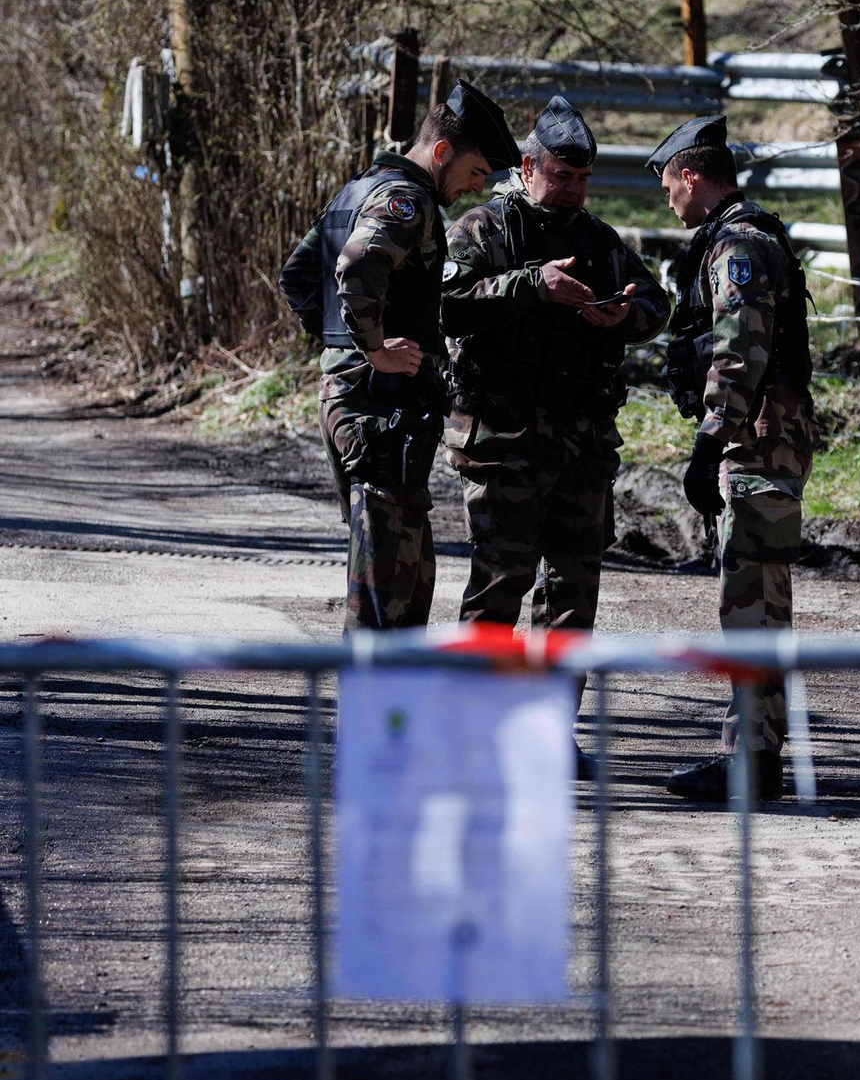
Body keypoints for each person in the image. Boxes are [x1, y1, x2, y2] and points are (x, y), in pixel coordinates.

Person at [440, 95, 670, 772]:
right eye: (563, 176)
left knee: (572, 598)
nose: (574, 189)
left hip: (581, 449)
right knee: (497, 588)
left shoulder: (597, 240)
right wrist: (530, 286)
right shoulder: (484, 228)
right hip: (504, 443)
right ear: (529, 166)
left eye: (583, 178)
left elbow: (655, 302)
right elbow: (446, 306)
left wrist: (621, 317)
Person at [278, 80, 520, 631]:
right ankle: (369, 712)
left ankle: (389, 710)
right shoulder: (406, 201)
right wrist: (372, 350)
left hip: (360, 402)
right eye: (476, 172)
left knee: (404, 574)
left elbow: (297, 277)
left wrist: (342, 348)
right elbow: (357, 266)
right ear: (441, 153)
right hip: (378, 408)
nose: (477, 188)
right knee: (386, 589)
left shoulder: (359, 189)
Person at [646, 114, 817, 803]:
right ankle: (758, 751)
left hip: (758, 435)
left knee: (750, 599)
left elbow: (739, 347)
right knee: (760, 597)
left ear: (692, 174)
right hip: (767, 432)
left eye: (668, 185)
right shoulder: (743, 234)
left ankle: (751, 757)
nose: (668, 200)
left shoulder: (736, 245)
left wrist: (710, 437)